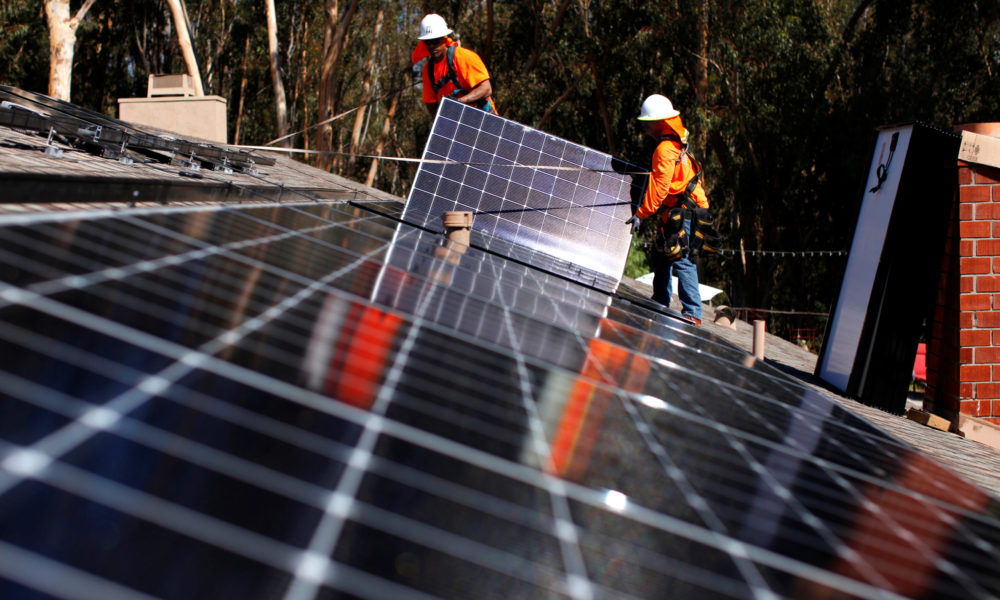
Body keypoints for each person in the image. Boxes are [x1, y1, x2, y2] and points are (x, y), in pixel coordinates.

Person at [626, 94, 710, 326]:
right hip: (682, 209)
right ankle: (660, 300)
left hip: (684, 212)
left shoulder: (664, 149)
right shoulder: (677, 143)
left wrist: (642, 213)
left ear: (663, 122)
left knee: (681, 258)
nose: (646, 129)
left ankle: (693, 313)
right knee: (662, 254)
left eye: (649, 123)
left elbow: (660, 189)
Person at [417, 14, 495, 117]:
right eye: (428, 42)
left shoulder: (464, 57)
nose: (432, 46)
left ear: (445, 39)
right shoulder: (428, 71)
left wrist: (459, 102)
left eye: (435, 41)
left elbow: (486, 89)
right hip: (457, 125)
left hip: (484, 119)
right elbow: (430, 104)